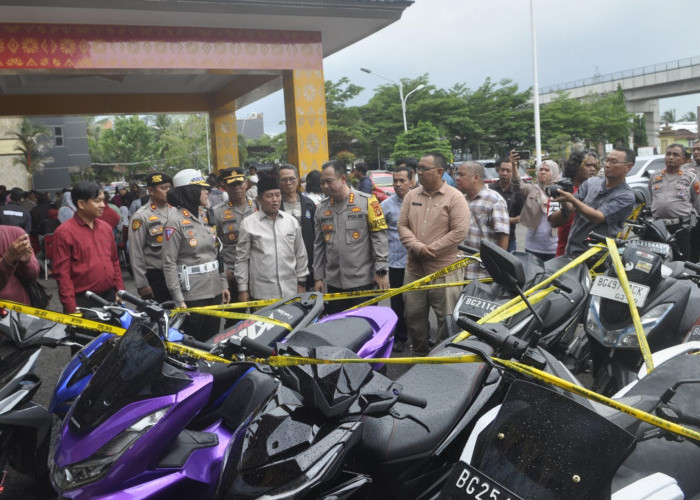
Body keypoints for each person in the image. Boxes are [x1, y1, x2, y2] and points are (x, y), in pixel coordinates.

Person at [398, 152, 470, 356]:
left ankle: (441, 359)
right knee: (413, 317)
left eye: (423, 169)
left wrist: (434, 249)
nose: (418, 172)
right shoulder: (412, 196)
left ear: (439, 171)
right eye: (418, 168)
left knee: (446, 320)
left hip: (445, 270)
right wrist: (418, 247)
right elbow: (402, 226)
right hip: (415, 270)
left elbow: (459, 232)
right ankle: (419, 356)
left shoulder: (455, 198)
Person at [313, 160, 389, 314]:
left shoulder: (368, 202)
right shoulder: (321, 209)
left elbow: (379, 239)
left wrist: (381, 271)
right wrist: (318, 278)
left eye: (329, 181)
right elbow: (319, 246)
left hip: (363, 282)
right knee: (338, 328)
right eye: (322, 183)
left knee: (365, 328)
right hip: (334, 284)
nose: (325, 186)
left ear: (342, 178)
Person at [162, 169, 230, 341]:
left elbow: (217, 253)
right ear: (189, 191)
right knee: (193, 343)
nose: (207, 191)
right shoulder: (174, 222)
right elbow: (169, 263)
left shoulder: (206, 216)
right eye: (201, 188)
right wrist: (178, 300)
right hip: (192, 296)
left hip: (214, 290)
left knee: (212, 339)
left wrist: (223, 284)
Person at [549, 146, 636, 257]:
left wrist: (571, 199)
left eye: (613, 162)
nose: (607, 165)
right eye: (607, 160)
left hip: (598, 257)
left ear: (628, 167)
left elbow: (598, 217)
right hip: (573, 252)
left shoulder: (626, 196)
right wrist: (562, 197)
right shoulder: (591, 182)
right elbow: (571, 208)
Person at [52, 181, 124, 313]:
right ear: (81, 204)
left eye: (103, 200)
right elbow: (62, 274)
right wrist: (70, 306)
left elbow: (114, 261)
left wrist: (119, 290)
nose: (103, 205)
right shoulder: (64, 232)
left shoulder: (106, 228)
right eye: (97, 201)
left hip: (110, 297)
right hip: (82, 301)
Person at [235, 176, 308, 300]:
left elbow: (300, 254)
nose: (275, 200)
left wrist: (301, 282)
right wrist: (243, 289)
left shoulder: (291, 222)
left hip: (290, 291)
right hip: (262, 294)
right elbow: (242, 259)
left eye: (278, 195)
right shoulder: (248, 224)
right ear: (259, 199)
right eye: (269, 196)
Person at [645, 143, 700, 260]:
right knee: (658, 261)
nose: (670, 157)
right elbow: (652, 196)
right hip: (659, 227)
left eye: (675, 155)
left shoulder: (690, 178)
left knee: (682, 262)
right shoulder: (654, 176)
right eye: (668, 154)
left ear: (683, 159)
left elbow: (694, 200)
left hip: (681, 227)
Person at [456, 161, 510, 280]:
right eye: (457, 174)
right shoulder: (462, 200)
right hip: (461, 271)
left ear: (475, 177)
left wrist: (496, 268)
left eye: (461, 175)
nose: (457, 178)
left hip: (483, 274)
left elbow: (503, 236)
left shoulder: (494, 200)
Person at [210, 170, 256, 301]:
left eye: (239, 183)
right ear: (225, 187)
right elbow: (213, 245)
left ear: (246, 184)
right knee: (235, 316)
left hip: (256, 269)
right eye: (232, 185)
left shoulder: (257, 206)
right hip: (232, 271)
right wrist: (223, 270)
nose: (236, 188)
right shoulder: (217, 212)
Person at [128, 172, 175, 302]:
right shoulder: (141, 216)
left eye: (169, 187)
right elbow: (135, 252)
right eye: (163, 188)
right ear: (150, 191)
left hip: (178, 274)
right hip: (156, 277)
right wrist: (142, 284)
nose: (168, 191)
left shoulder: (176, 210)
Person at [380, 166, 412, 352]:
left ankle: (422, 335)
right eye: (395, 181)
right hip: (395, 262)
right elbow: (379, 234)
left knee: (419, 301)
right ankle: (400, 336)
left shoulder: (419, 202)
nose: (398, 184)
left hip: (417, 262)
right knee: (397, 302)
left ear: (411, 181)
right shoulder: (386, 205)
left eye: (402, 181)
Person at [511, 156, 560, 261]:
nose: (543, 172)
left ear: (554, 172)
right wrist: (514, 166)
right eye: (541, 170)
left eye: (547, 170)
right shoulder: (532, 189)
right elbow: (517, 185)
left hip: (554, 248)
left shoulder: (561, 192)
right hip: (533, 247)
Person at [554, 150, 600, 257]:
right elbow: (553, 222)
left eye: (595, 166)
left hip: (593, 253)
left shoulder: (598, 190)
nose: (593, 169)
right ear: (576, 166)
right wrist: (569, 203)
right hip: (567, 254)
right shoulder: (563, 190)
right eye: (588, 165)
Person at [278, 164, 316, 288]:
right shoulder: (275, 205)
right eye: (284, 179)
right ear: (279, 182)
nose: (288, 182)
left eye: (292, 179)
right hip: (284, 264)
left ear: (298, 179)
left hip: (309, 263)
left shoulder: (309, 204)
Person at [490, 158, 524, 252]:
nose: (504, 173)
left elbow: (522, 216)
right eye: (502, 170)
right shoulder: (490, 189)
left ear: (513, 172)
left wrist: (504, 221)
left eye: (508, 171)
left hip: (509, 239)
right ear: (498, 170)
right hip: (490, 238)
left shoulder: (517, 192)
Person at [0, 225, 39, 305]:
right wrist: (8, 259)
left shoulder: (17, 234)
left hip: (20, 308)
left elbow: (33, 276)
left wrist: (27, 262)